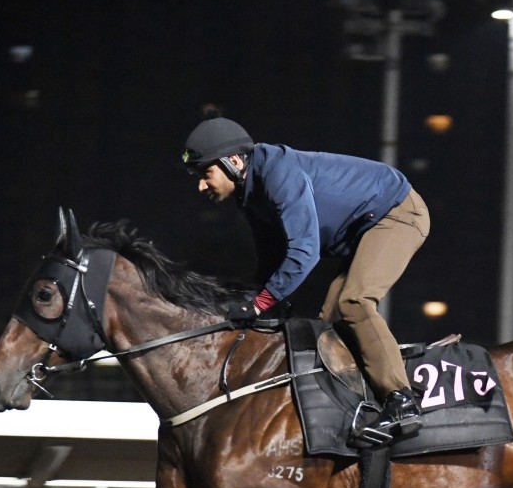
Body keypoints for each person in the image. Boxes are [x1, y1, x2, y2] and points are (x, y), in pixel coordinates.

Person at [181, 113, 430, 439]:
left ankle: (403, 402)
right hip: (366, 228)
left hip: (397, 213)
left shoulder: (278, 175)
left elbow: (304, 252)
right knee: (329, 321)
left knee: (354, 302)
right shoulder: (250, 193)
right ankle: (364, 401)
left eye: (205, 173)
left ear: (233, 162)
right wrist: (258, 300)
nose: (201, 185)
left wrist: (260, 303)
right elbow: (270, 259)